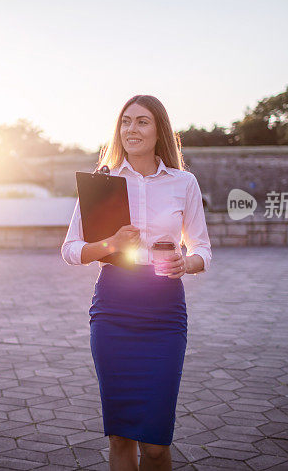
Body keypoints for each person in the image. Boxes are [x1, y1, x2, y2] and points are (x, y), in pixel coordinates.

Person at [61, 94, 212, 471]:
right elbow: (70, 249)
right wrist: (110, 244)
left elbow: (203, 250)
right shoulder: (101, 183)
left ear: (159, 128)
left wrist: (186, 262)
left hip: (164, 313)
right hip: (113, 310)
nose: (132, 129)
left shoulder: (184, 182)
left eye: (142, 121)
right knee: (120, 436)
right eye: (126, 121)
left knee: (156, 444)